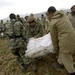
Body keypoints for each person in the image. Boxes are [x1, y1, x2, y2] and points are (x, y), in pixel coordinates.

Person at [47, 6, 75, 75]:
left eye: (48, 14)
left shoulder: (53, 22)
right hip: (73, 37)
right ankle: (61, 62)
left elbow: (54, 38)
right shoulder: (64, 15)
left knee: (65, 56)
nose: (48, 16)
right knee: (67, 54)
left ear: (50, 13)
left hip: (65, 42)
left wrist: (56, 48)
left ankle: (72, 72)